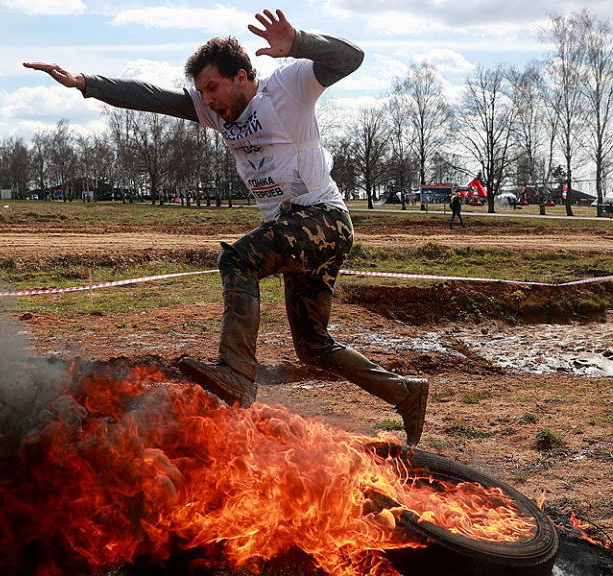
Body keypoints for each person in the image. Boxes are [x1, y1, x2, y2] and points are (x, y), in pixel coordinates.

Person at [25, 8, 427, 448]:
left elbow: (352, 58)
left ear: (241, 77)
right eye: (202, 91)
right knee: (313, 347)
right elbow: (153, 97)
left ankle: (236, 372)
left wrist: (299, 42)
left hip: (323, 218)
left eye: (213, 87)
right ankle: (405, 393)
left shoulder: (287, 86)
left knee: (237, 260)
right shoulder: (215, 111)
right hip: (297, 232)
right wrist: (86, 83)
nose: (208, 99)